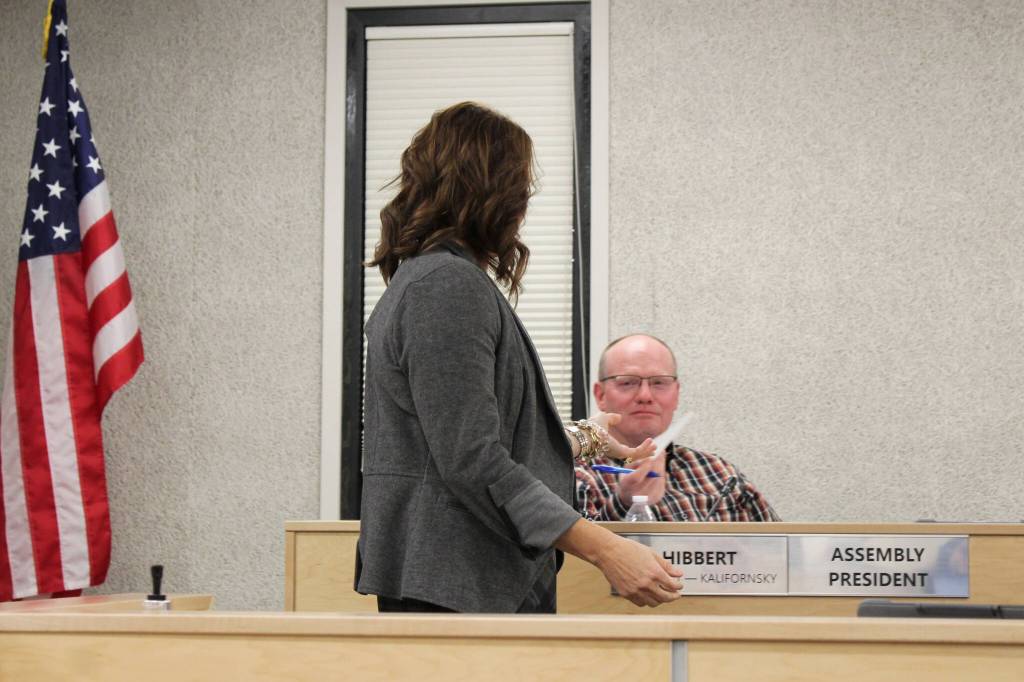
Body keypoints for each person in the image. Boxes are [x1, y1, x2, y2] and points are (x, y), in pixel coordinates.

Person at [355, 102, 683, 613]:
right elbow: (471, 460)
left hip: (458, 582)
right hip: (458, 584)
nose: (524, 205)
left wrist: (590, 437)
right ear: (492, 190)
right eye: (520, 186)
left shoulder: (430, 281)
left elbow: (459, 439)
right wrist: (607, 549)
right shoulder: (445, 287)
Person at [575, 334, 780, 522]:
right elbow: (575, 550)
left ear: (676, 394)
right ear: (600, 395)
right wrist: (623, 503)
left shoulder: (720, 473)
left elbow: (781, 545)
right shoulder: (575, 476)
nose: (645, 396)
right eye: (628, 382)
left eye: (659, 382)